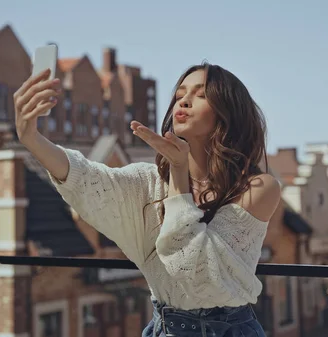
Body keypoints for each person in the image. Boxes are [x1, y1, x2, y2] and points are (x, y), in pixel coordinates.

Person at [14, 62, 281, 337]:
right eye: (179, 95)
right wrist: (31, 138)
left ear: (228, 113)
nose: (185, 101)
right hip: (164, 329)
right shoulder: (150, 182)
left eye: (201, 95)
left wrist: (178, 173)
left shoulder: (257, 188)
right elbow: (85, 180)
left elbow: (199, 277)